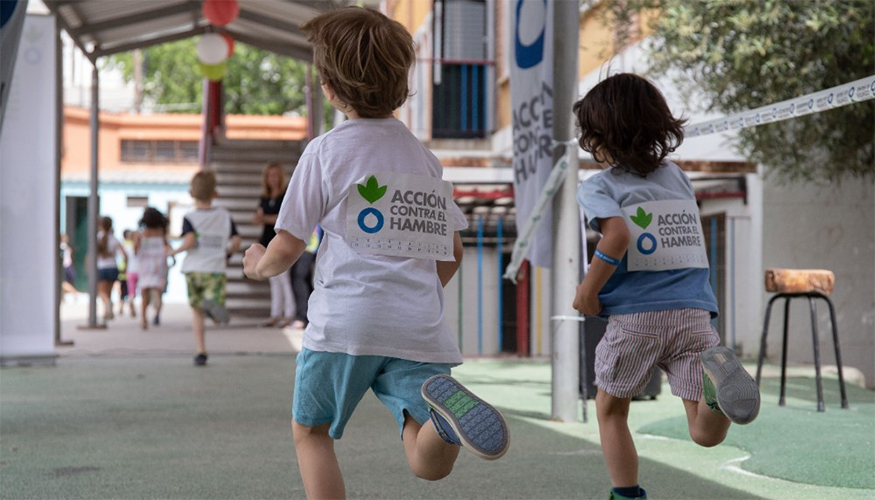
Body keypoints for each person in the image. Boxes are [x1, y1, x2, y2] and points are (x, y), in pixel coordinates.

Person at [242, 7, 509, 498]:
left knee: (312, 433)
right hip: (417, 324)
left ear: (329, 85)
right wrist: (412, 291)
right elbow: (451, 251)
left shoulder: (325, 152)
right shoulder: (424, 160)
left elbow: (289, 245)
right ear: (402, 84)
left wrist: (257, 265)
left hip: (346, 321)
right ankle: (443, 422)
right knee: (426, 461)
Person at [572, 73, 761, 500]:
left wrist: (587, 290)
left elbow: (617, 237)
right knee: (703, 432)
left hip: (636, 318)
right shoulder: (676, 177)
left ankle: (626, 495)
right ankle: (717, 396)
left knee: (610, 410)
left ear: (599, 137)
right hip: (694, 313)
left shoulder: (599, 186)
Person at [170, 170, 241, 366]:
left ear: (192, 193)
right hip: (215, 268)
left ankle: (201, 349)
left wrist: (173, 252)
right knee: (213, 302)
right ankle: (213, 309)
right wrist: (227, 254)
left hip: (193, 268)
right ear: (215, 193)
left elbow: (190, 241)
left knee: (196, 311)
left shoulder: (190, 217)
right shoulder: (225, 215)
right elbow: (236, 240)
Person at [253, 162, 295, 327]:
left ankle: (289, 313)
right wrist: (262, 219)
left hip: (282, 241)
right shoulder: (264, 197)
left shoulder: (285, 195)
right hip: (267, 240)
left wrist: (266, 218)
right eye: (270, 175)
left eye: (276, 175)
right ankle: (275, 313)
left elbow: (283, 219)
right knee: (273, 279)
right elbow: (258, 217)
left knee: (284, 278)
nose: (273, 179)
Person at [136, 208, 171, 330]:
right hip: (159, 263)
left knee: (144, 293)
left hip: (145, 264)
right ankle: (156, 309)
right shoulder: (161, 233)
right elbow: (167, 247)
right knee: (158, 288)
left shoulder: (142, 234)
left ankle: (143, 319)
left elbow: (136, 250)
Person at [96, 216, 127, 322]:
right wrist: (125, 266)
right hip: (113, 267)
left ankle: (107, 305)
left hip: (101, 267)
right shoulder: (114, 239)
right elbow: (124, 254)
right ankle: (107, 312)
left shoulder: (98, 237)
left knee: (100, 291)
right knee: (108, 291)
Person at [288, 226, 320, 329]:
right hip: (305, 243)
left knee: (299, 277)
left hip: (310, 244)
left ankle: (302, 317)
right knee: (302, 279)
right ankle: (308, 316)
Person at [60, 234, 80, 299]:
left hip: (65, 266)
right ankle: (62, 296)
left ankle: (75, 292)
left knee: (63, 283)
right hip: (68, 265)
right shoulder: (67, 247)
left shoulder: (62, 247)